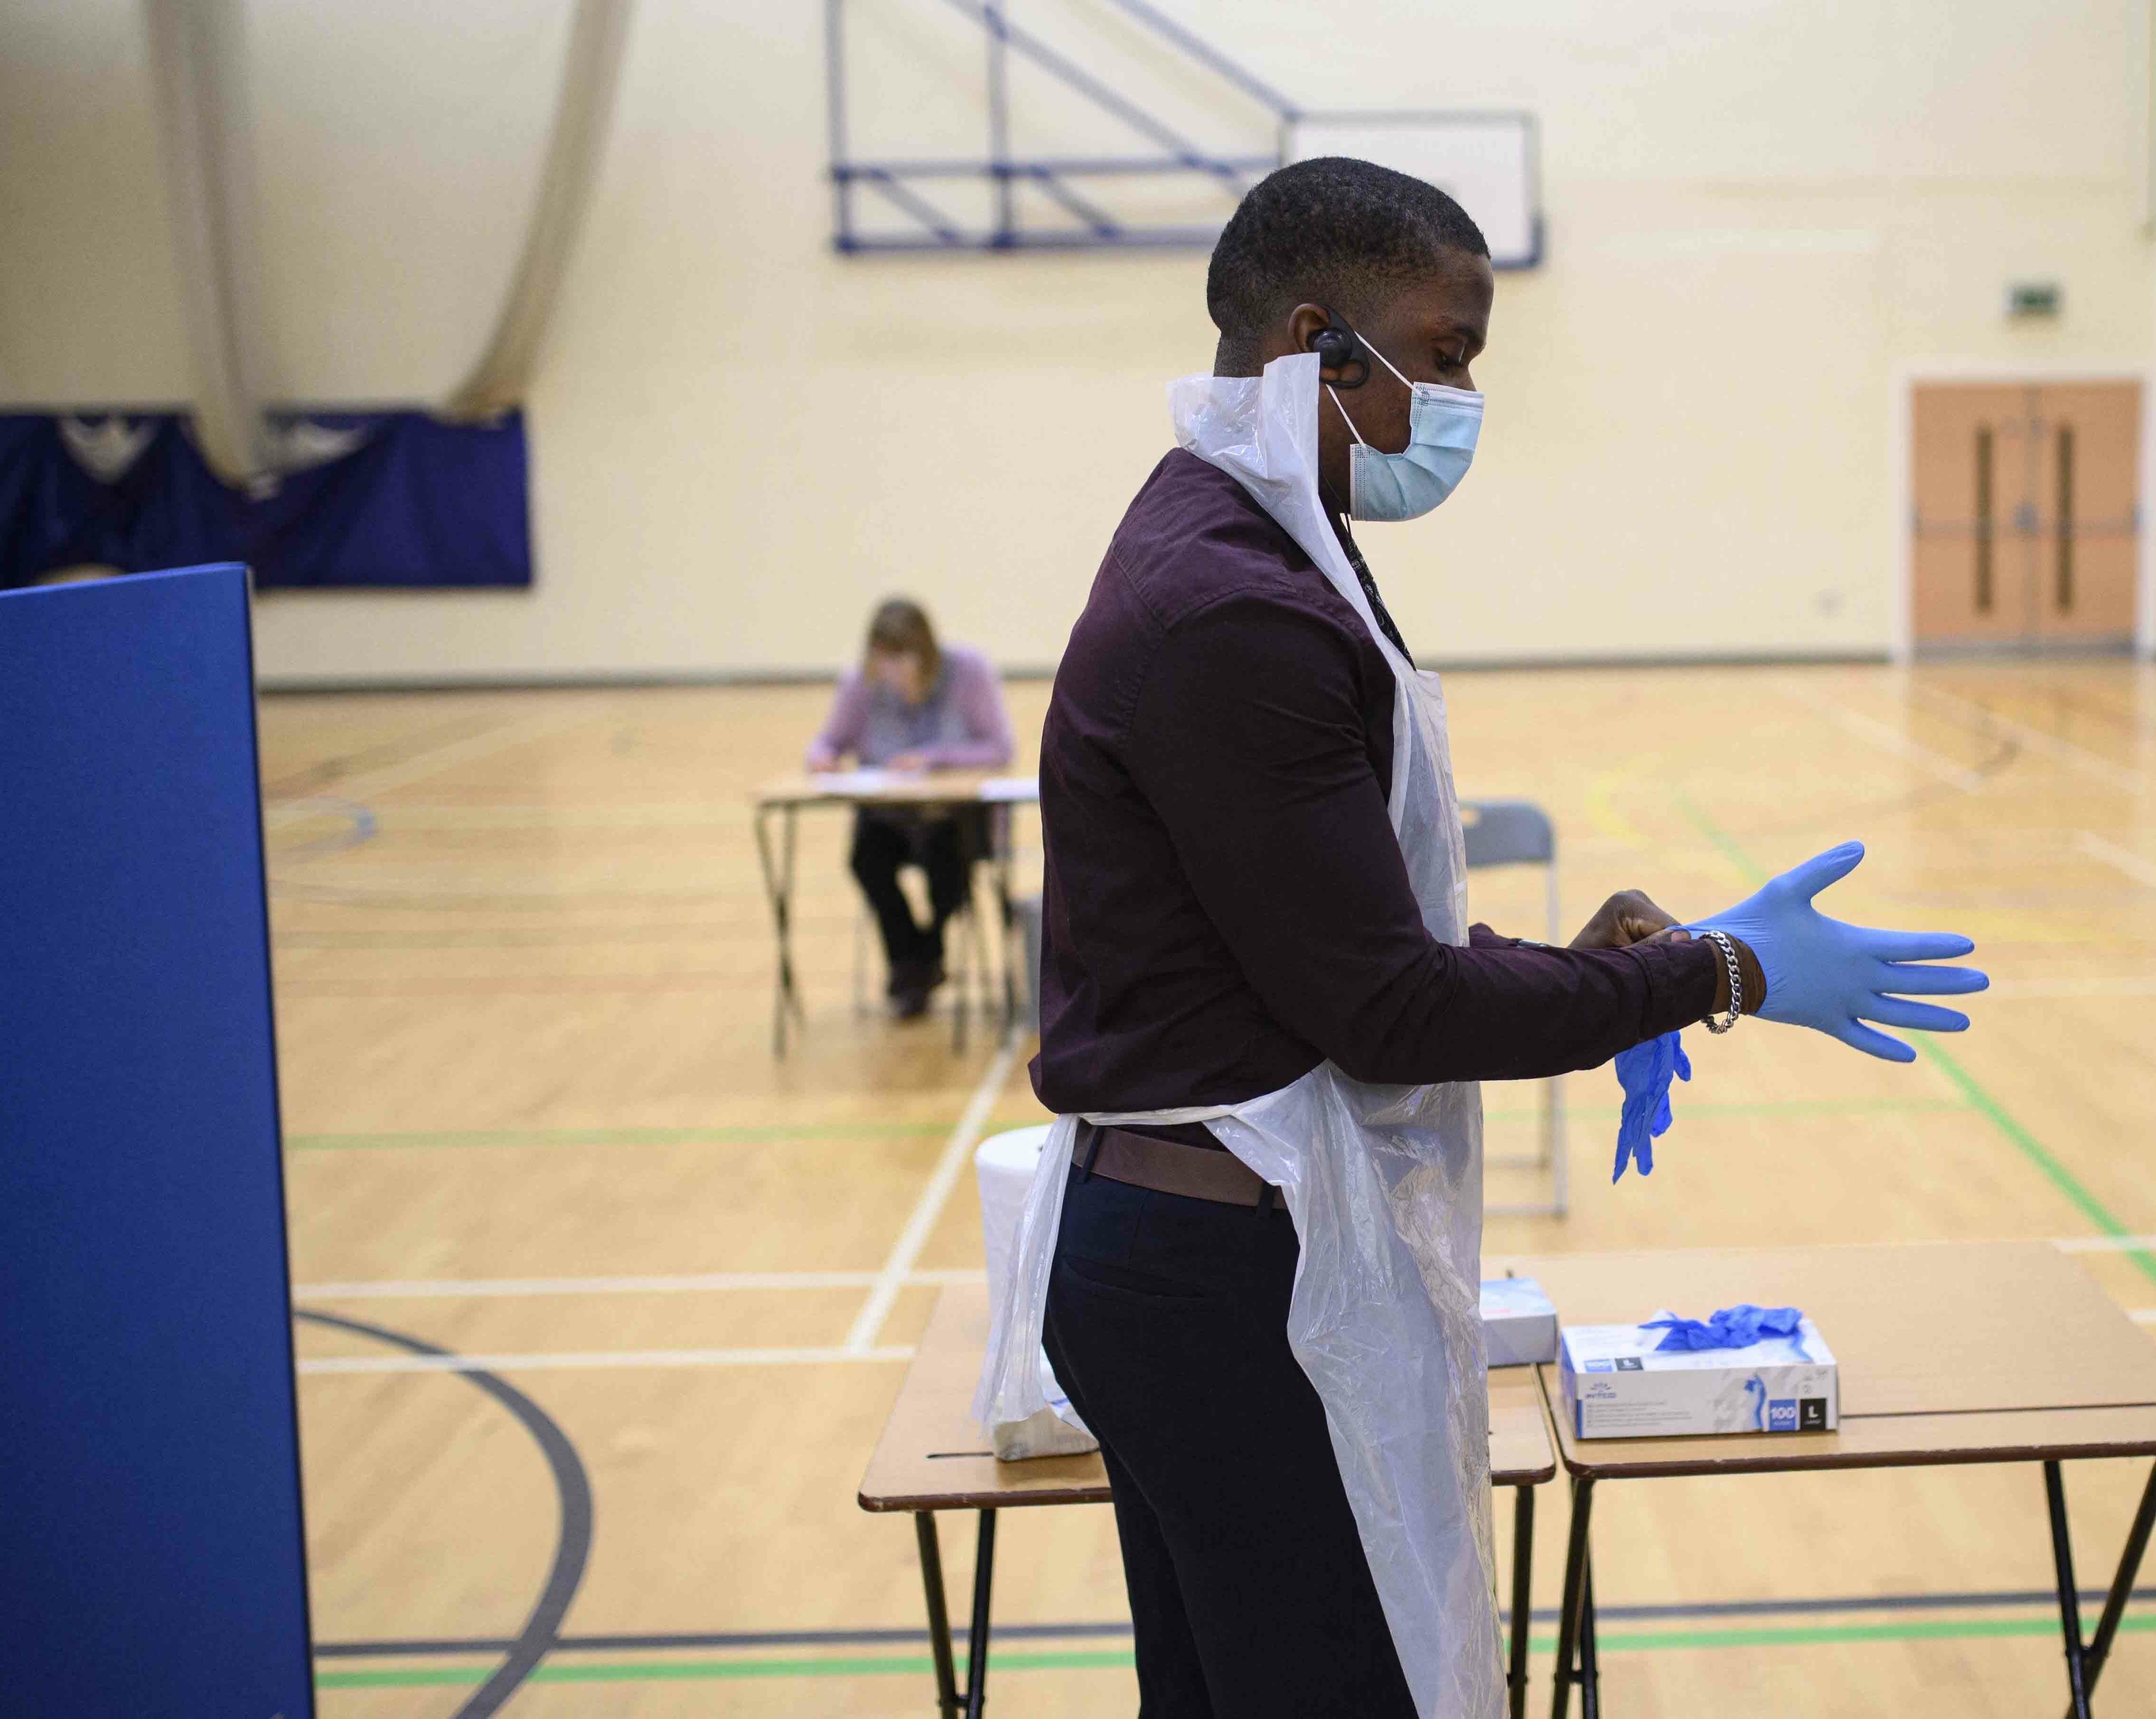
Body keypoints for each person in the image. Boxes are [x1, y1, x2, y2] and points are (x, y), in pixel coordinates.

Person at [980, 159, 1986, 1719]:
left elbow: (1326, 944)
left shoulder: (1243, 537)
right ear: (1316, 344)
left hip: (1206, 1248)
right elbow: (1384, 1010)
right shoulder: (1233, 603)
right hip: (1220, 1278)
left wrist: (1592, 964)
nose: (1456, 401)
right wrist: (1718, 971)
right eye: (1441, 355)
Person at [805, 597, 1015, 1018]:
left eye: (901, 659)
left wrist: (935, 758)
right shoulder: (859, 685)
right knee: (867, 860)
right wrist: (822, 757)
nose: (891, 671)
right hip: (889, 821)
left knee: (948, 862)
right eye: (882, 659)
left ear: (924, 653)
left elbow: (1000, 748)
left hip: (949, 820)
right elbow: (828, 741)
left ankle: (922, 958)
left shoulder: (968, 673)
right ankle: (914, 961)